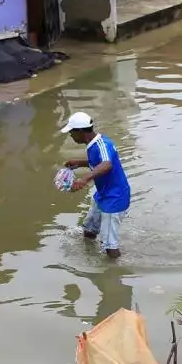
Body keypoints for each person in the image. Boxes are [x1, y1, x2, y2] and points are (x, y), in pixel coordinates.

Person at [61, 111, 130, 259]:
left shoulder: (102, 144)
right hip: (103, 194)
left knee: (110, 247)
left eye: (72, 132)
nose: (71, 136)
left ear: (80, 131)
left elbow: (106, 165)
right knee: (89, 231)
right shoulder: (92, 145)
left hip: (114, 198)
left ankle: (112, 274)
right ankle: (89, 253)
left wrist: (84, 179)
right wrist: (80, 163)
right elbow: (98, 163)